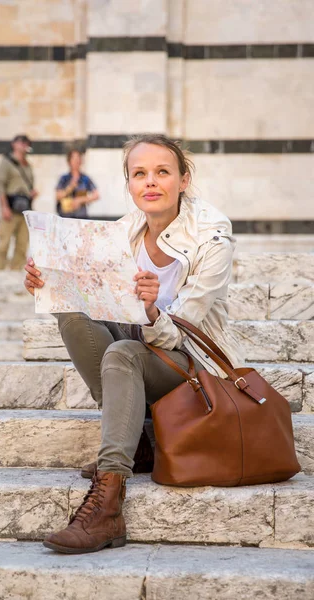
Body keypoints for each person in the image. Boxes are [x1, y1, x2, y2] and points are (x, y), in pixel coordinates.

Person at [24, 134, 244, 554]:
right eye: (139, 173)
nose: (151, 182)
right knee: (70, 310)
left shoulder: (213, 236)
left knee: (122, 354)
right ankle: (138, 443)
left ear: (183, 179)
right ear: (128, 183)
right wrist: (47, 282)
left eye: (163, 171)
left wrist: (150, 310)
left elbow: (182, 329)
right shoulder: (125, 229)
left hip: (193, 364)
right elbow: (94, 296)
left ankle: (108, 505)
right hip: (145, 346)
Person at [0, 134, 38, 271]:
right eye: (21, 142)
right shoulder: (6, 162)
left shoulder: (28, 165)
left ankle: (16, 270)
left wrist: (32, 194)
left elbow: (28, 185)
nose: (24, 145)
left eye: (26, 143)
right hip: (11, 207)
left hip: (25, 207)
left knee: (22, 243)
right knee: (3, 242)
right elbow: (0, 186)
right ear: (14, 144)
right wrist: (4, 207)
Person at [56, 149, 99, 218]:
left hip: (81, 217)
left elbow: (96, 195)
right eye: (74, 159)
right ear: (69, 162)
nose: (77, 161)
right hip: (66, 218)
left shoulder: (85, 178)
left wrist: (80, 200)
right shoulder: (64, 178)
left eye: (79, 158)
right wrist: (70, 188)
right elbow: (58, 196)